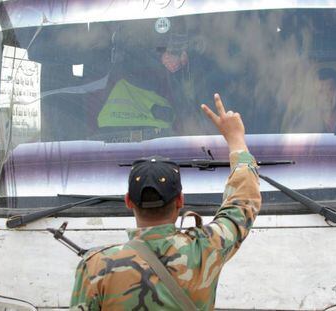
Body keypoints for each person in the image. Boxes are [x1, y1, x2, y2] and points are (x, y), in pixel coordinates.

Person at [70, 94, 262, 310]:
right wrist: (236, 139)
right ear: (180, 200)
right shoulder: (206, 248)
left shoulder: (96, 267)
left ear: (128, 201)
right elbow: (242, 204)